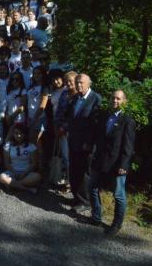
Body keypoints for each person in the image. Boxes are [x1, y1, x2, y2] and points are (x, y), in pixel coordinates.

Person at [87, 90, 135, 235]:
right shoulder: (104, 117)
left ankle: (116, 224)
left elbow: (128, 146)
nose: (115, 101)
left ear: (124, 102)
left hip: (116, 164)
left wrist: (124, 165)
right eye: (113, 98)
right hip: (100, 160)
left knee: (118, 195)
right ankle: (96, 217)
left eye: (118, 99)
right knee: (92, 187)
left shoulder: (127, 121)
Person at [67, 74, 102, 214]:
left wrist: (89, 142)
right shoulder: (76, 97)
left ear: (89, 83)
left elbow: (97, 125)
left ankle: (85, 202)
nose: (78, 85)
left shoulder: (96, 99)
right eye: (77, 82)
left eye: (81, 82)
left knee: (84, 173)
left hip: (86, 144)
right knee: (74, 170)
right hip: (73, 141)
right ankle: (77, 197)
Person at [0, 124, 41, 194]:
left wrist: (24, 173)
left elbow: (34, 163)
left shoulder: (31, 146)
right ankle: (27, 189)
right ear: (13, 134)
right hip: (12, 172)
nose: (18, 135)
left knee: (37, 177)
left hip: (26, 173)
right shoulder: (8, 145)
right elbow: (7, 163)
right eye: (16, 133)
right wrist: (14, 172)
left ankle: (12, 185)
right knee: (1, 177)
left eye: (21, 133)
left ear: (25, 134)